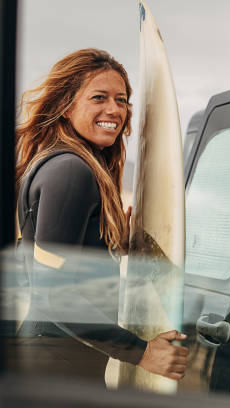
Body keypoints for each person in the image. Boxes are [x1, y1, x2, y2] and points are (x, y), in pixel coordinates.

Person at [12, 48, 187, 383]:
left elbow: (36, 264)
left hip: (52, 362)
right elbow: (54, 295)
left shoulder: (56, 164)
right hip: (55, 372)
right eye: (99, 97)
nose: (114, 110)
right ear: (66, 105)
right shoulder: (70, 171)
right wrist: (143, 352)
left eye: (121, 100)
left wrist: (112, 242)